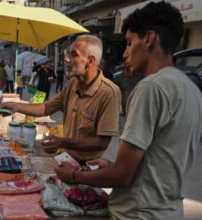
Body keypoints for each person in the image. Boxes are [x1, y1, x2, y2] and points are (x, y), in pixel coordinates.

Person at [55, 2, 202, 219]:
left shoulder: (150, 87)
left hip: (136, 213)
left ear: (149, 39)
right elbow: (160, 164)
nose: (125, 54)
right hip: (169, 212)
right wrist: (111, 165)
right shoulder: (191, 88)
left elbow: (122, 176)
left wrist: (74, 175)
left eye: (129, 43)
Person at [0, 35, 121, 164]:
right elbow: (47, 108)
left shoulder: (109, 92)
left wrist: (62, 142)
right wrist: (15, 106)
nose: (66, 59)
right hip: (66, 157)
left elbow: (101, 142)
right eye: (67, 54)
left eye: (74, 55)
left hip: (89, 165)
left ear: (90, 61)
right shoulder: (72, 84)